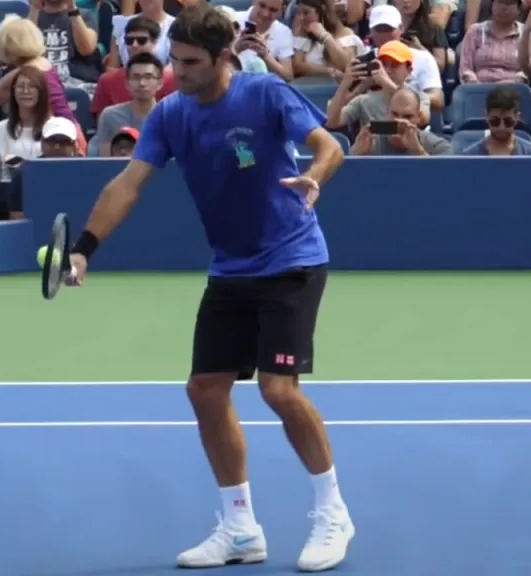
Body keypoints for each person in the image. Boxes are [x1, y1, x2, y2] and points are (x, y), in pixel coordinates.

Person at [63, 5, 351, 572]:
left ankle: (333, 513)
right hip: (231, 268)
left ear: (224, 58)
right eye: (175, 60)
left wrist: (313, 179)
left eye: (190, 62)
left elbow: (330, 147)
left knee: (278, 390)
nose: (178, 71)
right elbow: (128, 185)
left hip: (291, 259)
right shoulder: (171, 115)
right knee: (205, 389)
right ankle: (240, 527)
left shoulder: (266, 95)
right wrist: (83, 247)